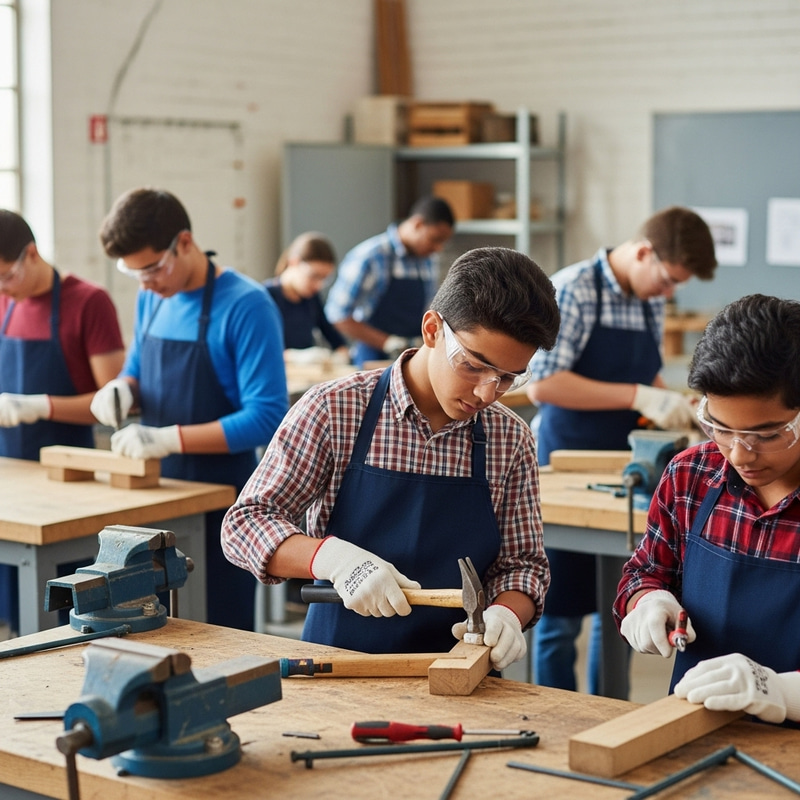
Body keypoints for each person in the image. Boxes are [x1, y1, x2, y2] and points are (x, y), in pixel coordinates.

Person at [221, 247, 560, 671]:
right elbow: (246, 524)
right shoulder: (336, 410)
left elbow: (523, 566)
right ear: (432, 329)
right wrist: (333, 559)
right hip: (339, 665)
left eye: (508, 378)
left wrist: (508, 613)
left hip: (460, 670)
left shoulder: (509, 439)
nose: (486, 393)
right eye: (473, 366)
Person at [525, 206, 717, 694]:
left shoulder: (648, 299)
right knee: (560, 612)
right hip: (568, 460)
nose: (668, 293)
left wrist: (672, 403)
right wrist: (637, 396)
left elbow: (646, 373)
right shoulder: (574, 290)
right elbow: (542, 384)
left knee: (620, 606)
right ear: (644, 252)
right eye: (668, 279)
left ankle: (608, 710)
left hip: (630, 465)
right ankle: (555, 713)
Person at [90, 188, 289, 631]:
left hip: (219, 502)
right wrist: (123, 388)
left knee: (218, 630)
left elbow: (267, 416)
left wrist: (167, 438)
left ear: (183, 242)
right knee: (150, 626)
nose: (145, 283)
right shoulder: (152, 297)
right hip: (156, 493)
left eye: (152, 269)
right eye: (133, 273)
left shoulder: (246, 305)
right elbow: (137, 368)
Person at [615, 294, 800, 726]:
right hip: (692, 730)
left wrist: (782, 692)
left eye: (765, 435)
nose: (740, 454)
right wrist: (647, 602)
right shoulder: (691, 476)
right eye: (720, 428)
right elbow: (644, 573)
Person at [0, 208, 125, 634]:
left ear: (31, 254)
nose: (3, 289)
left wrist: (42, 406)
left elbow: (113, 402)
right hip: (10, 477)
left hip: (67, 482)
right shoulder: (5, 300)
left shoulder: (88, 302)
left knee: (63, 612)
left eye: (6, 276)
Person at [324, 196, 455, 367]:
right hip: (374, 357)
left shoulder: (428, 260)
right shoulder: (371, 257)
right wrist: (388, 343)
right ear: (417, 224)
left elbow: (431, 306)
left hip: (415, 356)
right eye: (435, 239)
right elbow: (337, 315)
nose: (438, 248)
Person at [264, 231, 349, 364]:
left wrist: (340, 356)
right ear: (294, 262)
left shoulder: (312, 299)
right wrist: (294, 356)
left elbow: (334, 338)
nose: (318, 285)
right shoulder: (266, 297)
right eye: (314, 276)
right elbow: (260, 349)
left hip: (307, 374)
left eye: (324, 279)